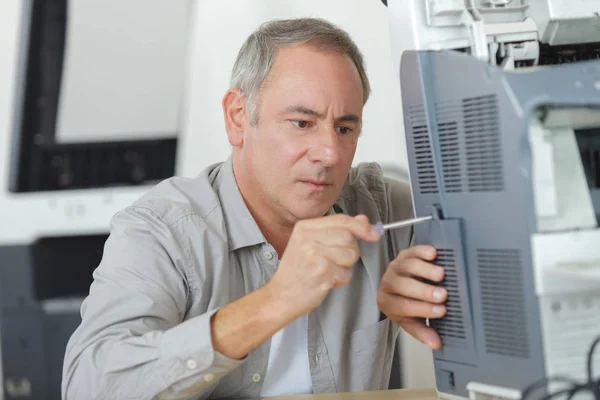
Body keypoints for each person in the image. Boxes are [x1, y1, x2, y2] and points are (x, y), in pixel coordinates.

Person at [62, 17, 447, 399]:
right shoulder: (163, 230)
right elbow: (88, 390)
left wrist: (440, 296)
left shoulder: (383, 211)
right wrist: (273, 302)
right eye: (301, 123)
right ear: (238, 118)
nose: (329, 154)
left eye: (344, 129)